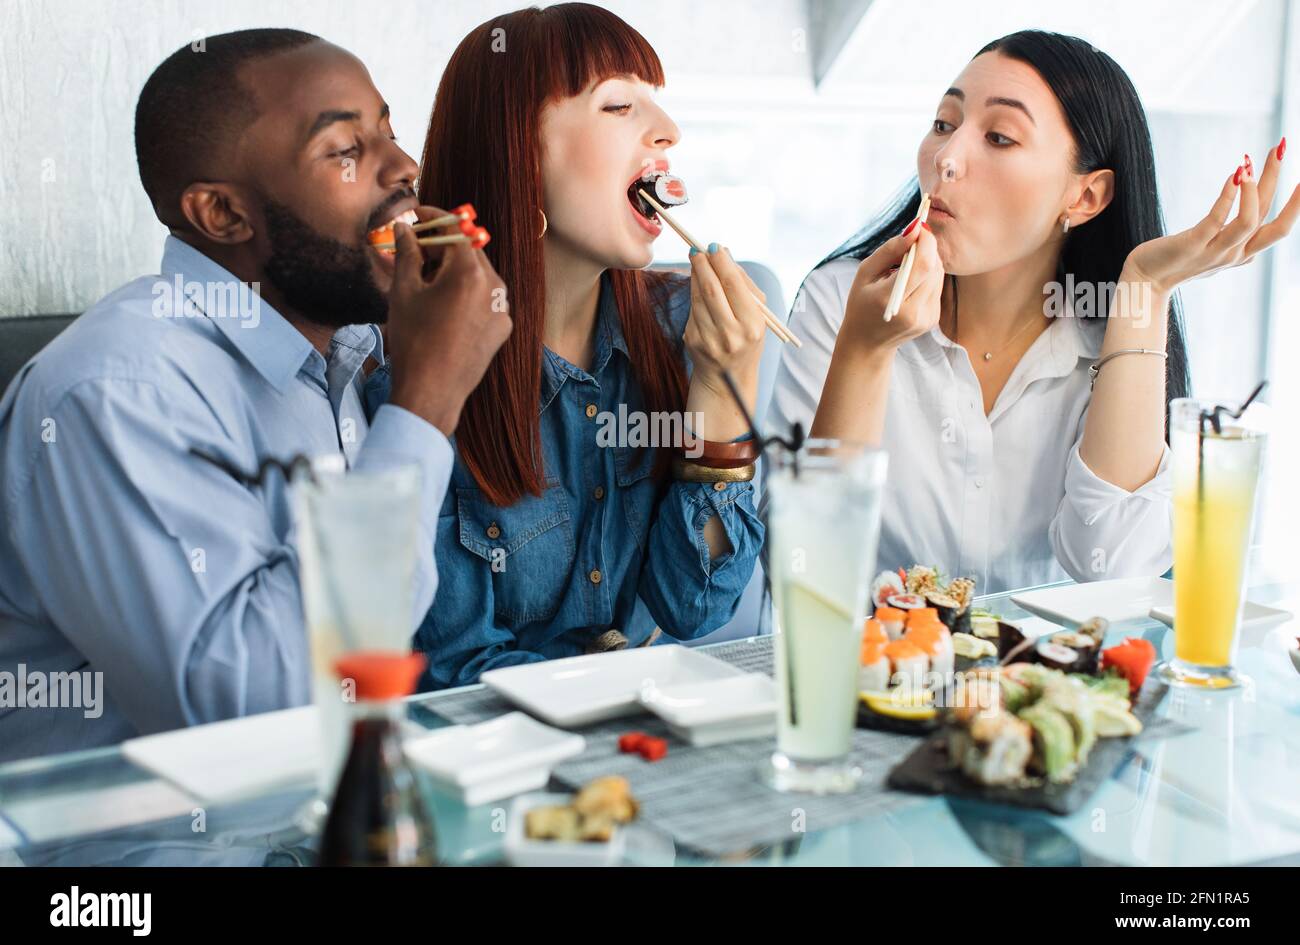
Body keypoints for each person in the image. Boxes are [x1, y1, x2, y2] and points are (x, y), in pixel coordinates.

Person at [0, 29, 510, 760]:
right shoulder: (116, 392)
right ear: (224, 216)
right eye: (345, 149)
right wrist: (427, 401)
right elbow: (260, 713)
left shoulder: (347, 356)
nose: (405, 167)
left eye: (389, 132)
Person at [768, 30, 1298, 593]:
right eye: (944, 124)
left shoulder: (1104, 336)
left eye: (999, 137)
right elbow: (806, 576)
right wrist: (865, 351)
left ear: (1085, 197)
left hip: (1048, 678)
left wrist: (1145, 287)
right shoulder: (844, 300)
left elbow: (1113, 570)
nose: (946, 158)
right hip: (878, 675)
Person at [366, 3, 767, 689]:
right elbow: (455, 675)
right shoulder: (413, 377)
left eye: (656, 105)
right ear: (518, 153)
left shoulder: (679, 327)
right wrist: (624, 682)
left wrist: (725, 384)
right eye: (618, 107)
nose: (666, 133)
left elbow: (696, 606)